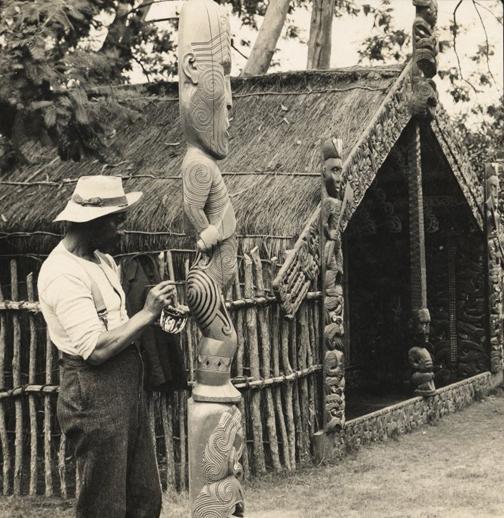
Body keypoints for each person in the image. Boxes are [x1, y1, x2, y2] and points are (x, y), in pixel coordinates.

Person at [38, 175, 175, 518]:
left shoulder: (104, 261)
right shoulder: (62, 273)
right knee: (105, 504)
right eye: (117, 221)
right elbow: (95, 350)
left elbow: (118, 326)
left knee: (143, 497)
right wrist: (147, 313)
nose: (121, 231)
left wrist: (158, 315)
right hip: (93, 394)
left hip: (125, 388)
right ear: (92, 221)